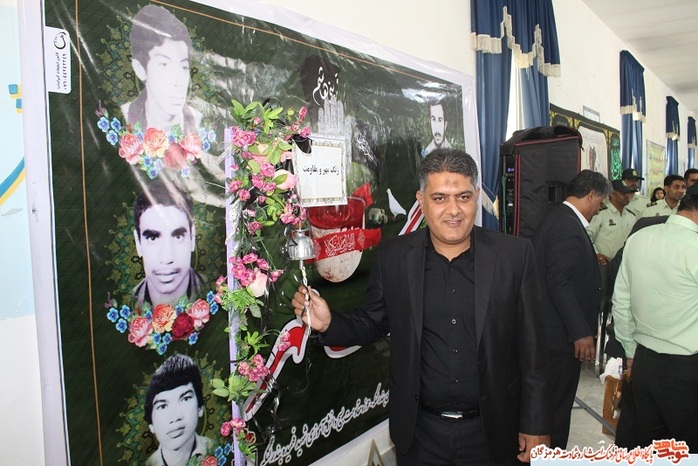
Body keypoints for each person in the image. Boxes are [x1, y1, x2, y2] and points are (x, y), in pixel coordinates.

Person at [292, 149, 551, 465]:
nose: (453, 210)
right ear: (421, 200)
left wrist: (536, 424)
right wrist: (329, 323)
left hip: (494, 431)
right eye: (440, 198)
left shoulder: (515, 256)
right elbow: (373, 321)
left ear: (475, 196)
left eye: (464, 197)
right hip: (421, 435)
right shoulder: (394, 257)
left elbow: (534, 348)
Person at [611, 187, 698, 451]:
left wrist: (631, 353)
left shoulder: (640, 238)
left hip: (644, 364)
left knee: (651, 451)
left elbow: (621, 302)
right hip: (687, 370)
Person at [532, 170, 612, 449]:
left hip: (556, 334)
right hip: (559, 338)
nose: (598, 210)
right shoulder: (565, 225)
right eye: (600, 203)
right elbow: (559, 283)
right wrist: (580, 331)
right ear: (591, 195)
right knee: (556, 407)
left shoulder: (561, 219)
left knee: (555, 404)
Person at [121, 5, 201, 134]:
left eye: (184, 67)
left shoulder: (200, 123)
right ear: (140, 69)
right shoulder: (122, 116)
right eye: (164, 65)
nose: (178, 82)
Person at [132, 179, 203, 306]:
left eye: (178, 237)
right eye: (153, 238)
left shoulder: (217, 291)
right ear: (138, 243)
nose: (167, 258)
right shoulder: (125, 303)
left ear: (192, 238)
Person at [145, 354, 215, 466]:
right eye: (162, 406)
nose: (175, 417)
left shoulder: (215, 449)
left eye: (185, 399)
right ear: (151, 425)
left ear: (200, 407)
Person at [586, 179, 637, 266]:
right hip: (606, 264)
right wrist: (596, 253)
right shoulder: (600, 213)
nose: (627, 196)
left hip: (625, 264)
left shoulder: (631, 216)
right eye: (623, 193)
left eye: (628, 193)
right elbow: (587, 235)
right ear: (612, 194)